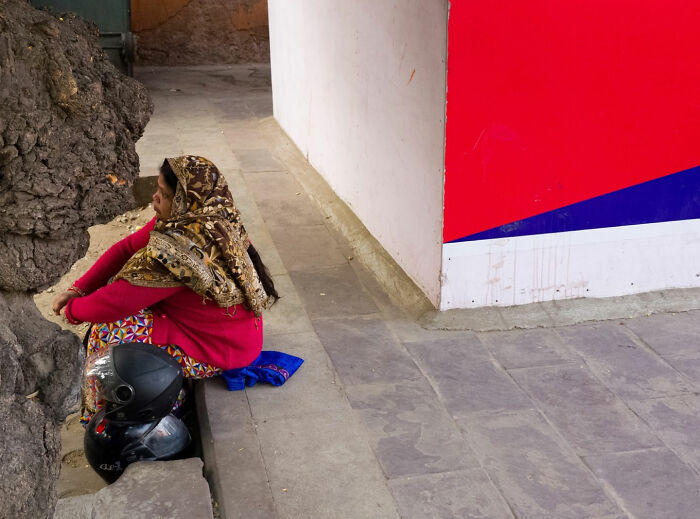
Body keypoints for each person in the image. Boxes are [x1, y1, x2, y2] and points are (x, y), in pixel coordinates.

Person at [53, 155, 278, 424]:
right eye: (157, 190)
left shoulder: (180, 249)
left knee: (107, 333)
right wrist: (79, 288)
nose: (154, 199)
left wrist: (74, 310)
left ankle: (106, 418)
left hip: (221, 350)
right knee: (123, 291)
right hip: (231, 335)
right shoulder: (211, 216)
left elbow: (114, 304)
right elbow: (125, 249)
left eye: (164, 194)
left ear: (184, 201)